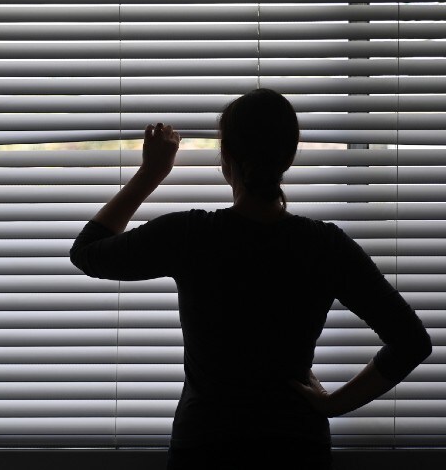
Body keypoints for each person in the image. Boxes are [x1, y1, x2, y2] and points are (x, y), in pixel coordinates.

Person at [69, 88, 432, 469]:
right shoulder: (325, 245)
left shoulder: (191, 235)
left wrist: (151, 172)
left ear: (226, 156)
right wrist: (334, 403)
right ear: (289, 157)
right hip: (295, 447)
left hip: (207, 446)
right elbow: (411, 341)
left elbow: (87, 251)